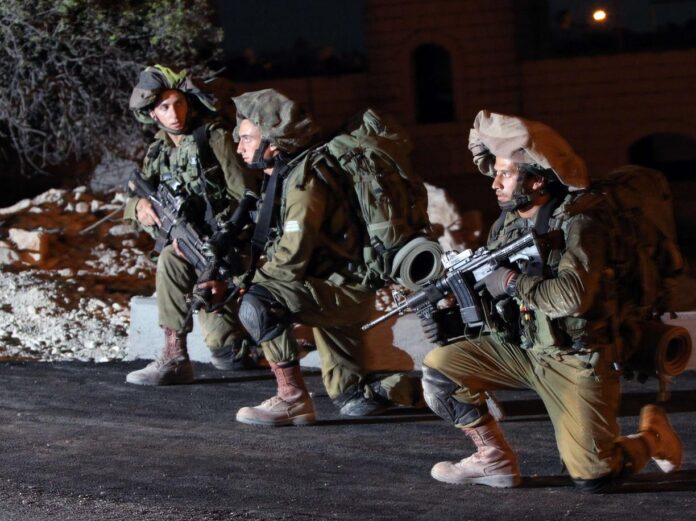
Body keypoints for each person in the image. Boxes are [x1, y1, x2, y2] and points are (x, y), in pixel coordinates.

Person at [420, 110, 682, 491]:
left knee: (594, 476)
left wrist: (510, 281)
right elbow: (495, 302)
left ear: (537, 179)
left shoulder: (580, 223)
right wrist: (450, 316)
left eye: (506, 174)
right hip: (526, 350)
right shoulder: (507, 225)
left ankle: (652, 438)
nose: (495, 183)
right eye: (496, 173)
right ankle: (493, 459)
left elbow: (571, 297)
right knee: (440, 369)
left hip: (576, 358)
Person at [228, 88, 421, 425]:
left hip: (341, 292)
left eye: (247, 138)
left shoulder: (303, 181)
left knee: (259, 300)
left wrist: (241, 284)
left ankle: (291, 398)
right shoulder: (290, 173)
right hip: (339, 284)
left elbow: (291, 259)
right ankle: (441, 390)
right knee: (353, 398)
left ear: (273, 143)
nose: (239, 147)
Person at [124, 65, 260, 385]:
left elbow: (247, 195)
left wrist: (227, 241)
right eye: (164, 107)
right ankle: (174, 357)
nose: (174, 114)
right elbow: (138, 194)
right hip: (191, 246)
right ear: (152, 113)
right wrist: (138, 207)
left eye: (179, 103)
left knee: (228, 356)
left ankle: (271, 345)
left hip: (228, 246)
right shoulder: (158, 151)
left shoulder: (212, 137)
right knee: (170, 259)